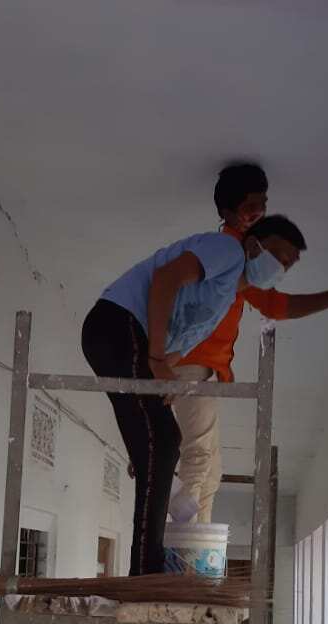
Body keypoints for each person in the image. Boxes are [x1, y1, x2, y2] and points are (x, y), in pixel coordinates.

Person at [168, 165, 328, 524]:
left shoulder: (240, 255)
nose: (258, 212)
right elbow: (275, 305)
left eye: (263, 204)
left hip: (203, 368)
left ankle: (198, 552)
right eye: (250, 206)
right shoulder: (231, 251)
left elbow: (272, 303)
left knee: (209, 470)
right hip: (191, 363)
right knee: (197, 464)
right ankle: (183, 556)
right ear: (227, 212)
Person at [82, 215, 293, 574]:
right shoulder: (227, 249)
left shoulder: (223, 297)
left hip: (121, 336)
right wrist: (154, 359)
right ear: (255, 245)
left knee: (162, 442)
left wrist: (164, 381)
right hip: (119, 327)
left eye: (289, 264)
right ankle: (147, 568)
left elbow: (178, 350)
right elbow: (165, 279)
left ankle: (147, 565)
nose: (282, 268)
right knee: (166, 444)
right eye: (281, 257)